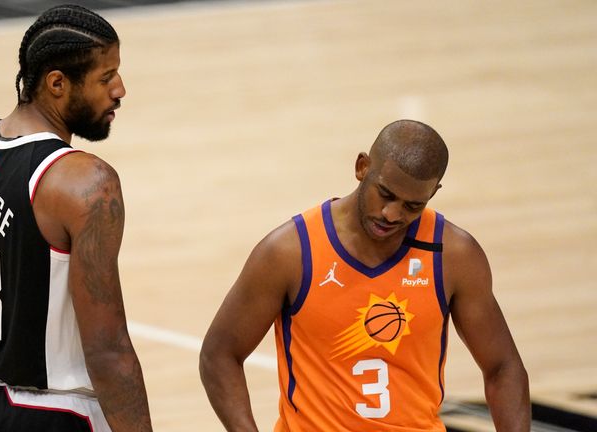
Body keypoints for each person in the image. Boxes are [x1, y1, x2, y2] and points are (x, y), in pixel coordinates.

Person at [0, 4, 152, 432]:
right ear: (57, 83)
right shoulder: (86, 182)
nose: (120, 90)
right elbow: (108, 350)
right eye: (105, 77)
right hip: (55, 416)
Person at [199, 120, 530, 431]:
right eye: (385, 194)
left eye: (412, 206)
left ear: (433, 193)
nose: (391, 214)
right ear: (362, 167)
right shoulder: (291, 252)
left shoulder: (454, 255)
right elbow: (220, 353)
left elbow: (503, 367)